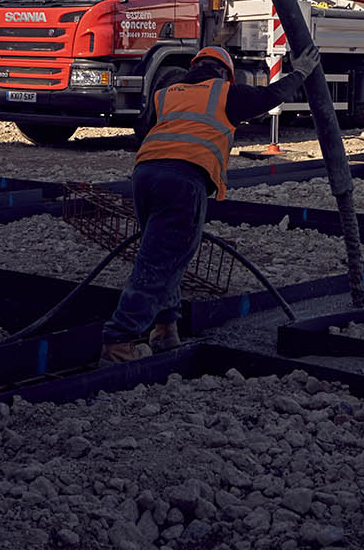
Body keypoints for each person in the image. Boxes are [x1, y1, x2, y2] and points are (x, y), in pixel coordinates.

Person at [99, 42, 321, 364]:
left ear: (194, 67)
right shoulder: (223, 92)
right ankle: (119, 341)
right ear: (224, 73)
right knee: (158, 261)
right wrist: (299, 72)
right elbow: (269, 98)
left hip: (144, 176)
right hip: (184, 180)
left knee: (165, 254)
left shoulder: (166, 93)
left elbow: (146, 130)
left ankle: (164, 328)